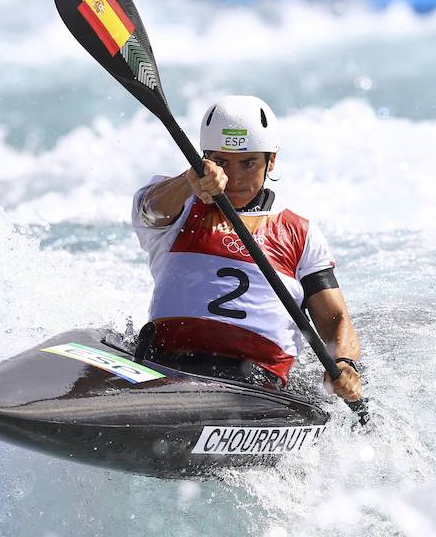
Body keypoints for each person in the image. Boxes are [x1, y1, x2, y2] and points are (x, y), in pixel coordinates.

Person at [131, 95, 362, 402]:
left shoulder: (300, 233)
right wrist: (189, 182)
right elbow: (150, 210)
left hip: (255, 386)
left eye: (249, 163)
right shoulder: (178, 204)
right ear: (205, 159)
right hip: (166, 366)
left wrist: (344, 363)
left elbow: (335, 321)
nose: (235, 176)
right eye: (222, 162)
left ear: (272, 161)